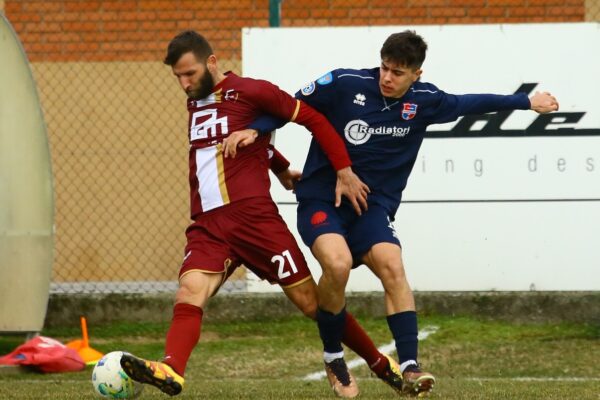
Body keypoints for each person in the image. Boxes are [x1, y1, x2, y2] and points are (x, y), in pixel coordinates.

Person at [238, 30, 560, 397]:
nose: (387, 78)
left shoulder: (426, 101)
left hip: (374, 207)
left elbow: (470, 102)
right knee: (338, 264)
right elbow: (288, 106)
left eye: (398, 72)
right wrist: (254, 129)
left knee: (393, 264)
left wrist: (526, 102)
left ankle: (410, 367)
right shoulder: (345, 83)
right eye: (384, 68)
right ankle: (333, 356)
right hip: (322, 200)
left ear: (416, 75)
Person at [119, 30, 405, 398]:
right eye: (178, 77)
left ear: (212, 62)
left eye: (189, 74)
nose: (184, 83)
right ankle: (171, 368)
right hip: (209, 225)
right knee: (190, 291)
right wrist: (280, 165)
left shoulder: (252, 91)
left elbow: (314, 120)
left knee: (311, 304)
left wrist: (342, 170)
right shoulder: (195, 103)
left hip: (256, 221)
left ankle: (380, 364)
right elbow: (239, 148)